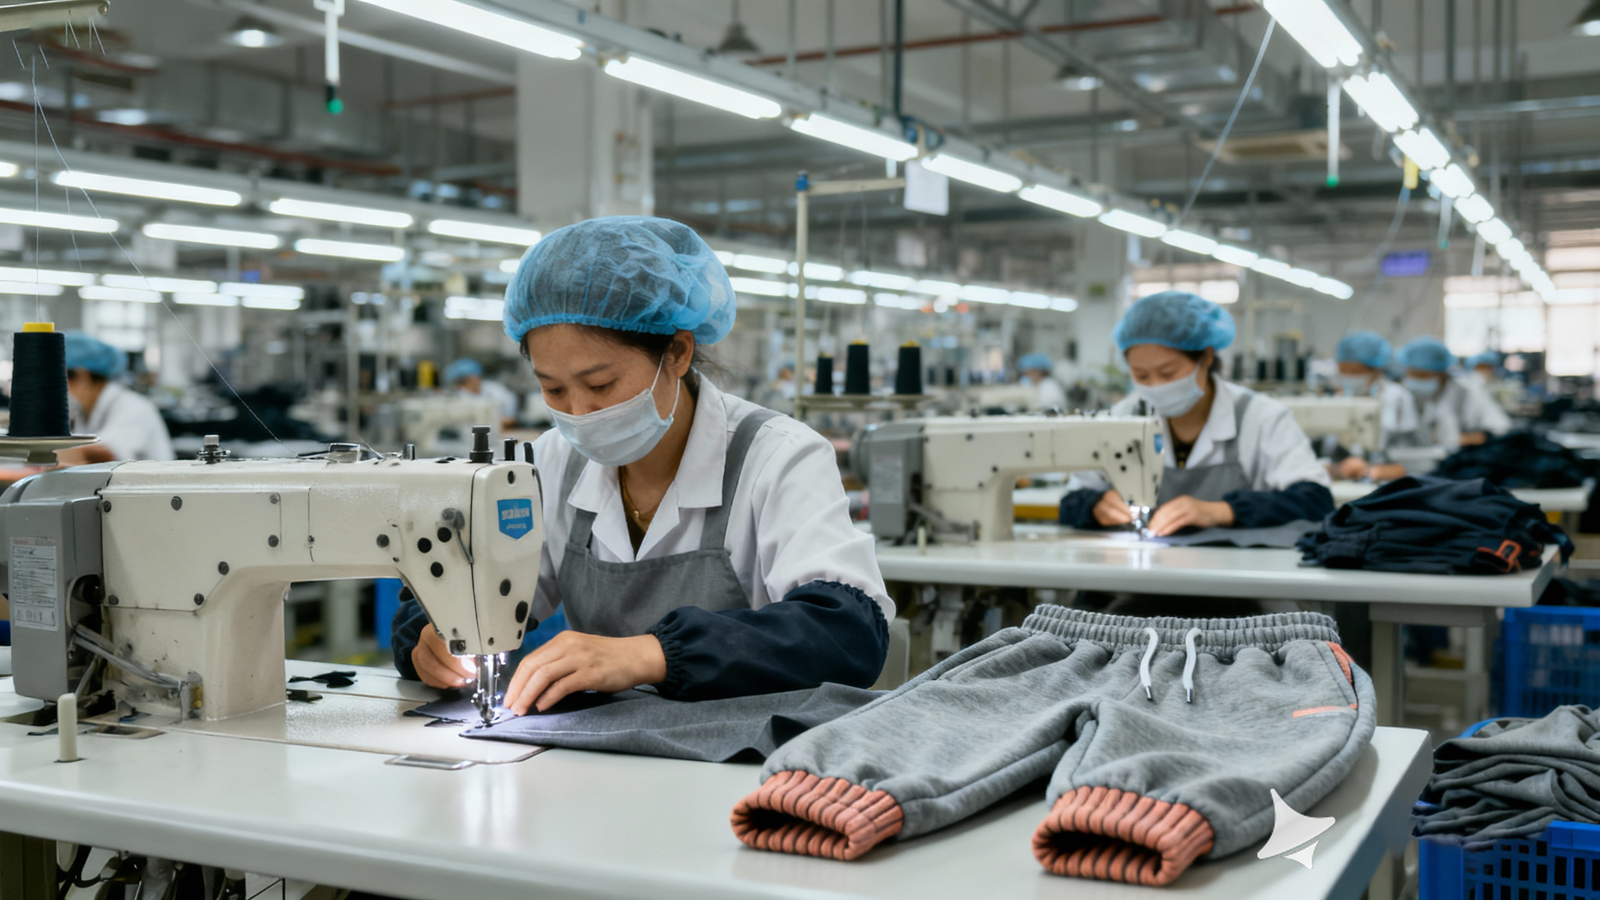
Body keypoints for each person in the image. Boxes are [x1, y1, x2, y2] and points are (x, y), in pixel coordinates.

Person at [392, 216, 891, 714]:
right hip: (604, 746)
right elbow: (470, 584)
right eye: (553, 389)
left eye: (601, 384)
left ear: (677, 353)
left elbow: (848, 633)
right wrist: (431, 636)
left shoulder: (778, 458)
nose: (579, 412)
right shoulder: (551, 463)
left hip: (752, 747)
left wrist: (650, 655)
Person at [1058, 292, 1333, 537]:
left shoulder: (1260, 417)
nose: (1155, 386)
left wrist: (1221, 511)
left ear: (1207, 357)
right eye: (1141, 375)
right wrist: (1094, 506)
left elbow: (1315, 500)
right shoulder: (1123, 416)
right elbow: (1072, 499)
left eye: (1168, 373)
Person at [56, 332, 174, 463]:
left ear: (82, 375)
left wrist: (47, 451)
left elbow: (105, 453)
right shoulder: (85, 411)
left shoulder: (133, 407)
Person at [1331, 331, 1418, 483]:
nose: (1348, 376)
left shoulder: (1398, 398)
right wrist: (1337, 468)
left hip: (1387, 479)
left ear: (1376, 370)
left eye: (1355, 371)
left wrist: (1377, 470)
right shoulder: (1336, 399)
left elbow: (1415, 455)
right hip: (1344, 474)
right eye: (1343, 370)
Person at [1397, 337, 1511, 449]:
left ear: (1441, 372)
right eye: (1411, 374)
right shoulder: (1414, 396)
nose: (1416, 380)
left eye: (1422, 375)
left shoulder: (1466, 392)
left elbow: (1501, 430)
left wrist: (1463, 440)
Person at [443, 357, 519, 429]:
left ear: (476, 378)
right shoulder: (460, 395)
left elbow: (510, 420)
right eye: (458, 383)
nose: (460, 387)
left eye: (463, 382)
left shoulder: (498, 393)